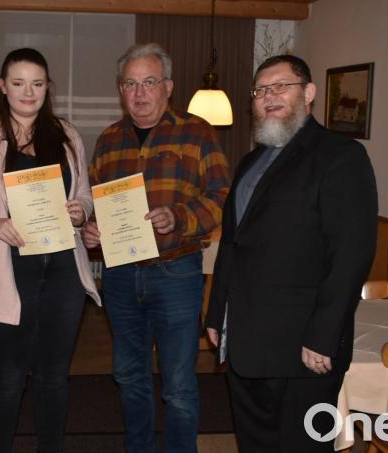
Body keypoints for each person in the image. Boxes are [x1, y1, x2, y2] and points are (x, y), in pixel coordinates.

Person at [205, 54, 378, 452]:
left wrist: (323, 335)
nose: (269, 96)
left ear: (309, 93)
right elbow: (233, 244)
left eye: (281, 86)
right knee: (255, 444)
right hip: (248, 344)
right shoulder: (251, 161)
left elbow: (351, 254)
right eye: (261, 90)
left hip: (303, 349)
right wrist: (216, 312)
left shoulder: (340, 156)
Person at [0, 47, 100, 453]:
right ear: (2, 86)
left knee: (54, 376)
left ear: (47, 87)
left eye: (37, 83)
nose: (28, 92)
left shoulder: (67, 134)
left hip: (63, 273)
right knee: (9, 377)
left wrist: (79, 210)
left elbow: (84, 194)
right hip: (6, 272)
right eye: (18, 83)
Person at [83, 43, 231, 453]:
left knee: (179, 385)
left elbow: (222, 196)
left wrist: (179, 218)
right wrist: (90, 233)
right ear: (120, 89)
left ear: (168, 86)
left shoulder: (198, 132)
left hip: (175, 272)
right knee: (128, 376)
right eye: (130, 83)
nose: (139, 92)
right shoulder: (109, 140)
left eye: (149, 82)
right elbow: (95, 200)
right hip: (120, 275)